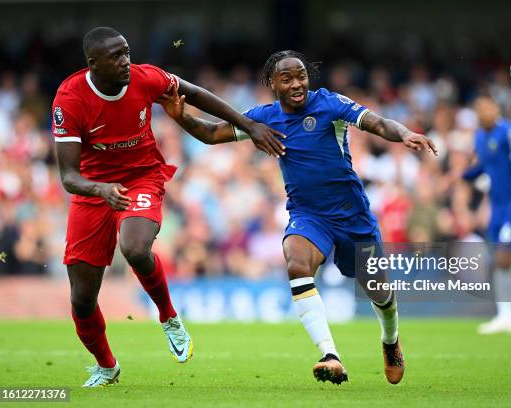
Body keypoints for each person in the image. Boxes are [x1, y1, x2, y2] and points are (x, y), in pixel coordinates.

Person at [158, 50, 437, 385]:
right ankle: (330, 355)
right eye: (286, 78)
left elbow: (376, 122)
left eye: (301, 75)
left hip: (352, 214)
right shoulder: (264, 117)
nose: (296, 84)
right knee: (296, 262)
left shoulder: (330, 103)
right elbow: (211, 133)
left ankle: (391, 341)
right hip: (308, 214)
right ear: (272, 84)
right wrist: (180, 116)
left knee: (378, 291)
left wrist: (404, 133)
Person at [52, 27, 284, 387]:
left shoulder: (146, 78)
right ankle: (107, 367)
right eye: (115, 56)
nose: (125, 60)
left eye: (126, 51)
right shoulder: (70, 99)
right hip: (93, 190)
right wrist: (100, 189)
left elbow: (196, 94)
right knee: (82, 300)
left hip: (142, 177)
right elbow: (68, 176)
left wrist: (249, 125)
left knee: (135, 247)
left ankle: (168, 317)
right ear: (93, 64)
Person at [458, 95, 511, 335]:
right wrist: (462, 176)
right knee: (499, 258)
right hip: (496, 205)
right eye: (481, 108)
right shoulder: (480, 136)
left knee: (505, 256)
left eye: (489, 107)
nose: (486, 112)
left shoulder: (509, 132)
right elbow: (484, 166)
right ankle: (507, 316)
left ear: (496, 109)